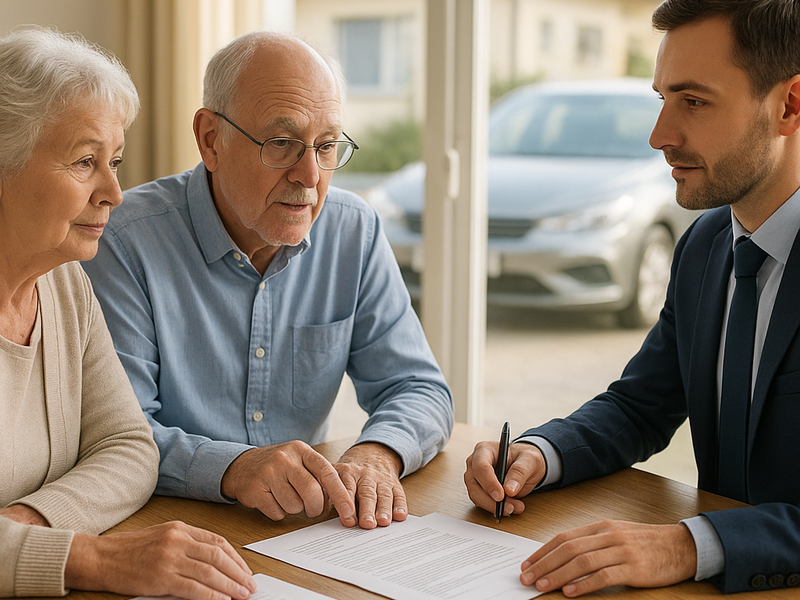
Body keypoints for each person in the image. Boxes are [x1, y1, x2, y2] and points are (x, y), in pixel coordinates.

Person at [464, 0, 800, 595]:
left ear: (789, 105)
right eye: (663, 98)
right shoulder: (705, 246)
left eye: (693, 102)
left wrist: (690, 544)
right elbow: (642, 406)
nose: (659, 136)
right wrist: (542, 454)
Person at [83, 30, 453, 530]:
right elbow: (118, 433)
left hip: (307, 531)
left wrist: (377, 453)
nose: (309, 175)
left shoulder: (352, 229)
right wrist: (234, 469)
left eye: (325, 147)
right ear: (211, 140)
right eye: (282, 143)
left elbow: (418, 387)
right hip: (166, 526)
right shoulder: (123, 241)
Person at [0, 27, 256, 599]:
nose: (115, 191)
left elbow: (129, 447)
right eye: (85, 162)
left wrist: (27, 529)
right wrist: (83, 556)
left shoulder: (64, 283)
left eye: (114, 161)